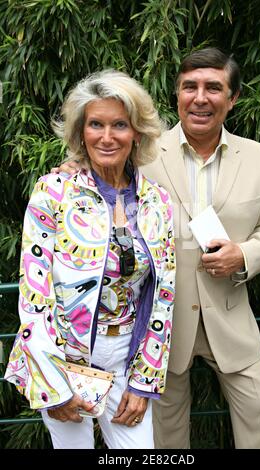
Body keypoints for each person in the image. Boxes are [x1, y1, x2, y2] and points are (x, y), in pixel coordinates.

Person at [52, 47, 260, 449]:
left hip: (231, 317)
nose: (200, 97)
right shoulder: (140, 150)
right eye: (189, 87)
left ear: (232, 99)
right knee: (164, 439)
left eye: (213, 87)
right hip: (159, 326)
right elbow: (100, 166)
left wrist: (245, 255)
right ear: (176, 95)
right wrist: (75, 168)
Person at [4, 69, 176, 449]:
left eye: (119, 125)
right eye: (96, 124)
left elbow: (163, 296)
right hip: (64, 359)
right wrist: (52, 385)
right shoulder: (53, 192)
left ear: (137, 132)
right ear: (81, 131)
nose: (107, 136)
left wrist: (144, 381)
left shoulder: (157, 202)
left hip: (126, 359)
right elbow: (35, 295)